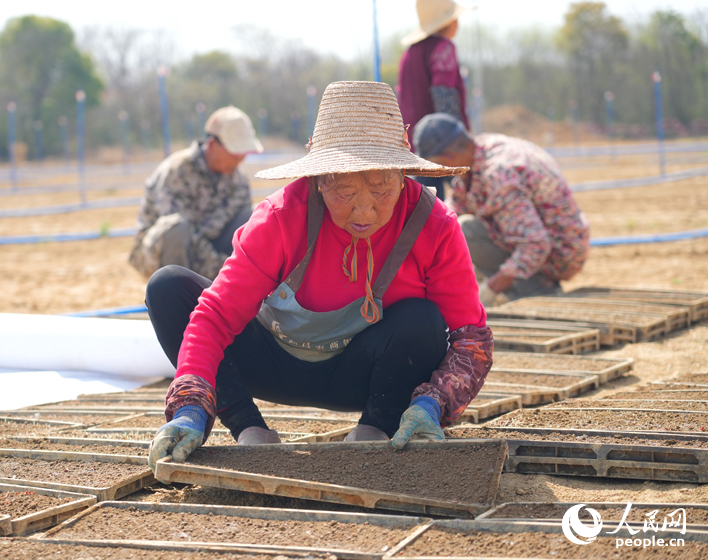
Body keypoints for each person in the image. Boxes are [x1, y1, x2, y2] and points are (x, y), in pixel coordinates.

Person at [145, 81, 494, 472]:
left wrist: (435, 403)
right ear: (320, 178)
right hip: (272, 361)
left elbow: (471, 340)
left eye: (380, 189)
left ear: (402, 173)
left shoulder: (434, 224)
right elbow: (216, 315)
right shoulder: (281, 217)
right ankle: (248, 429)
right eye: (344, 191)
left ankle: (376, 427)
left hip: (363, 376)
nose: (364, 211)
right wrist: (190, 403)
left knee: (422, 321)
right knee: (168, 287)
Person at [412, 113, 591, 306]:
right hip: (552, 238)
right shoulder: (482, 148)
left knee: (466, 232)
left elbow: (535, 246)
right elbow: (454, 207)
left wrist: (491, 289)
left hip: (561, 253)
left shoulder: (499, 177)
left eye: (439, 165)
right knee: (455, 226)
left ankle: (538, 289)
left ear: (449, 157)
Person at [128, 106, 263, 280]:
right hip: (163, 251)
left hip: (212, 252)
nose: (240, 158)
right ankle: (175, 295)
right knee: (176, 229)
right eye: (235, 151)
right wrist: (224, 269)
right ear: (213, 145)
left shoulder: (238, 180)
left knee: (252, 217)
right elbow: (181, 232)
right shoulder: (178, 171)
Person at [396, 0, 474, 201]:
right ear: (448, 23)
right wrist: (458, 138)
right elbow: (444, 95)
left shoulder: (409, 54)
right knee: (469, 197)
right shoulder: (443, 48)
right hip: (444, 144)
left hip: (417, 144)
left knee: (426, 205)